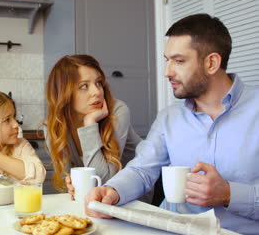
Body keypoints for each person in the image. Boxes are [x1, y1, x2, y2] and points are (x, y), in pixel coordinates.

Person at [84, 13, 259, 234]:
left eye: (179, 61)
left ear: (212, 63)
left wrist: (229, 194)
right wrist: (111, 190)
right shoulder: (169, 118)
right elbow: (141, 170)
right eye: (167, 60)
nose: (167, 72)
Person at [45, 54, 145, 200]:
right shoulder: (54, 127)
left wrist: (89, 124)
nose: (97, 92)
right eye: (84, 86)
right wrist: (71, 186)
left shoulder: (118, 111)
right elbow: (67, 184)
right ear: (63, 93)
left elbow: (104, 181)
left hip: (133, 196)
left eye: (98, 83)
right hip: (93, 200)